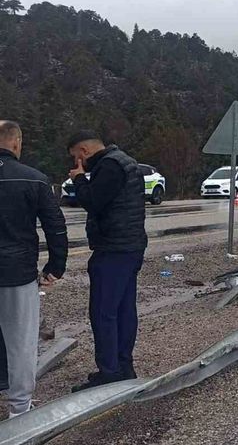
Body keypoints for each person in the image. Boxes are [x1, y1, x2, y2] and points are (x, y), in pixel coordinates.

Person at [66, 130, 147, 392]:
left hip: (114, 248)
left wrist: (79, 179)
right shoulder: (126, 161)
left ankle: (109, 373)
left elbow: (93, 201)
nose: (77, 164)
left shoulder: (110, 166)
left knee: (103, 312)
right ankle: (124, 366)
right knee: (124, 310)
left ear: (84, 152)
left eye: (76, 158)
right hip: (130, 246)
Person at [0, 120, 67, 418]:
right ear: (16, 143)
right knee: (21, 342)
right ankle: (19, 409)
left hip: (16, 271)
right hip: (17, 274)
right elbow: (56, 227)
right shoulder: (35, 180)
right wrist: (55, 267)